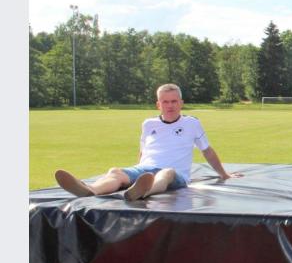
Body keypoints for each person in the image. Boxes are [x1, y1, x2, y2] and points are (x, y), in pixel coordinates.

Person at [54, 83, 240, 201]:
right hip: (145, 169)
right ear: (158, 104)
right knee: (115, 171)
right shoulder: (148, 124)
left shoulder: (192, 123)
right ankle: (90, 190)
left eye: (174, 101)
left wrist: (224, 174)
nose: (170, 105)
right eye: (165, 102)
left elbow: (207, 150)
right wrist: (134, 172)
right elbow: (143, 150)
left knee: (166, 172)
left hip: (176, 174)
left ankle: (144, 191)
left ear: (181, 103)